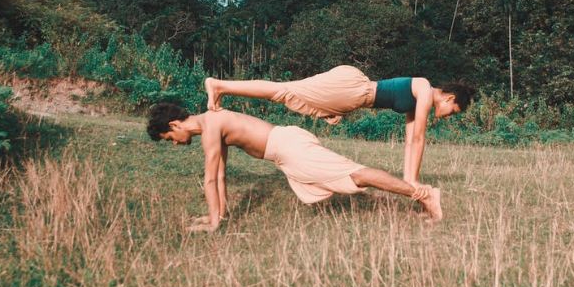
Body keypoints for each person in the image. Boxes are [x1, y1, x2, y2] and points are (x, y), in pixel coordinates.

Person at [146, 102, 442, 232]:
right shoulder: (211, 124)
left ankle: (424, 194)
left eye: (169, 138)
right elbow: (220, 176)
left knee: (356, 175)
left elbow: (210, 179)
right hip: (286, 151)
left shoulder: (210, 126)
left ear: (174, 125)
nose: (174, 144)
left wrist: (212, 224)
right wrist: (217, 215)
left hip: (289, 148)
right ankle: (421, 195)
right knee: (354, 176)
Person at [203, 66, 473, 185]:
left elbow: (410, 142)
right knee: (283, 91)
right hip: (353, 89)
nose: (448, 115)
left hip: (351, 96)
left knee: (287, 92)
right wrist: (412, 181)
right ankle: (219, 85)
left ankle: (221, 87)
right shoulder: (424, 89)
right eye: (453, 111)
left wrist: (409, 180)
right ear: (449, 98)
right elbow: (419, 139)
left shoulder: (416, 102)